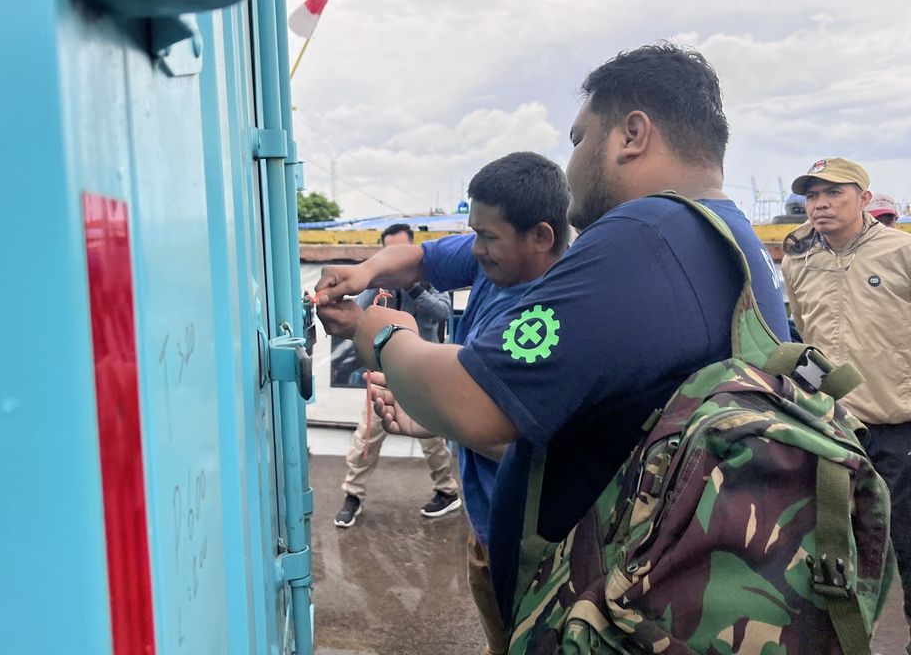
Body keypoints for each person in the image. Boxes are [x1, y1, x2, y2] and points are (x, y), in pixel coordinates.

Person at [316, 43, 791, 629]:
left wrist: (383, 332)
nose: (571, 164)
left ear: (631, 134)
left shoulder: (644, 237)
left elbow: (477, 405)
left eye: (577, 138)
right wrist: (369, 276)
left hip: (608, 607)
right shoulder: (727, 240)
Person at [321, 152, 571, 655]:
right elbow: (421, 259)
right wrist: (363, 271)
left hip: (528, 541)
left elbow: (525, 447)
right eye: (473, 232)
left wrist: (382, 338)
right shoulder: (497, 258)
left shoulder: (545, 316)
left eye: (487, 237)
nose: (475, 249)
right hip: (486, 520)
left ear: (540, 237)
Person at [781, 158, 911, 644]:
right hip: (831, 429)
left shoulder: (901, 251)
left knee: (906, 547)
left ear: (862, 198)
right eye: (813, 196)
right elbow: (804, 341)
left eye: (834, 193)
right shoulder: (799, 261)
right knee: (834, 550)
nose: (821, 204)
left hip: (897, 431)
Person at [332, 223, 460, 528]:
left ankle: (447, 492)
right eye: (388, 251)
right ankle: (353, 495)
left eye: (400, 250)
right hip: (384, 375)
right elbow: (359, 321)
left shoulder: (430, 284)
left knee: (433, 442)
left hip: (423, 377)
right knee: (366, 437)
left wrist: (415, 287)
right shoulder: (377, 287)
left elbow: (443, 314)